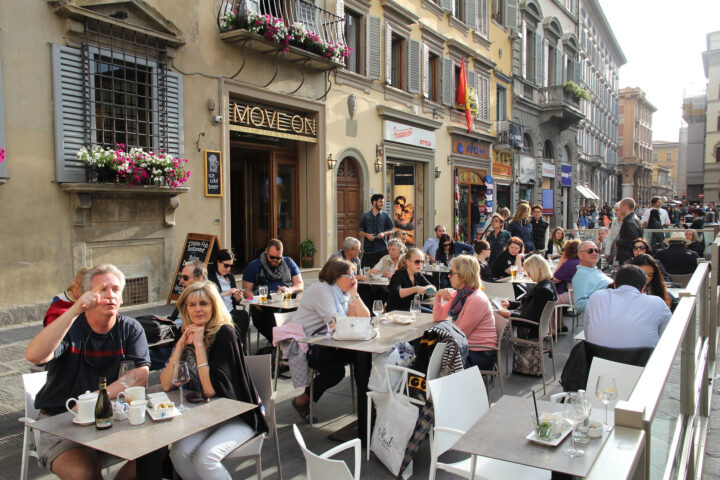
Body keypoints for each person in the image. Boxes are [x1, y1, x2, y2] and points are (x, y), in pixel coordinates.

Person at [26, 264, 150, 479]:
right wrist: (74, 311)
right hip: (61, 423)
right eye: (102, 289)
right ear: (86, 295)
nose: (110, 295)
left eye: (116, 290)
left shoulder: (130, 328)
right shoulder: (70, 327)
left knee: (154, 456)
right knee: (86, 474)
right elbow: (35, 356)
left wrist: (95, 397)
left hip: (112, 421)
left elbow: (139, 375)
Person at [162, 281, 268, 479]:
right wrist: (180, 345)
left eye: (204, 303)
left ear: (214, 306)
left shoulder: (224, 333)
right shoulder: (186, 331)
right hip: (206, 415)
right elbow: (166, 384)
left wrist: (200, 346)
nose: (197, 309)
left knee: (205, 459)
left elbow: (211, 390)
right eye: (191, 305)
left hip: (239, 411)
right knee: (178, 453)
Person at [290, 259, 370, 421]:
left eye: (354, 274)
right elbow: (335, 324)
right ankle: (302, 400)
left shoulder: (343, 293)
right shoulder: (321, 290)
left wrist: (355, 295)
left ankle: (368, 407)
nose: (354, 279)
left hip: (330, 342)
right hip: (309, 342)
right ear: (335, 277)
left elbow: (365, 318)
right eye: (349, 275)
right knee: (336, 371)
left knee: (364, 358)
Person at [584, 265, 671, 349]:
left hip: (597, 360)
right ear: (643, 288)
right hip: (640, 362)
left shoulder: (596, 297)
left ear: (615, 284)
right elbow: (666, 338)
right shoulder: (657, 303)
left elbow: (587, 333)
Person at [433, 255, 496, 369]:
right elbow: (438, 317)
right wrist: (438, 295)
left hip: (480, 353)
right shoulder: (460, 295)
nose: (449, 276)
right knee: (428, 353)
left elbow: (460, 334)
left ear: (463, 276)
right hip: (466, 347)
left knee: (432, 359)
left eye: (452, 273)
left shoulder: (476, 299)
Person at [242, 239, 304, 343]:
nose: (275, 260)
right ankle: (281, 345)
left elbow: (300, 284)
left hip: (286, 304)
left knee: (302, 315)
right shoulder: (254, 265)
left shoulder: (288, 262)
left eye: (278, 258)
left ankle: (288, 345)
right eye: (272, 257)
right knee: (271, 319)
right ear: (266, 251)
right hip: (263, 306)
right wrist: (256, 302)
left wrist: (289, 289)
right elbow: (246, 291)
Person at [497, 255, 558, 339]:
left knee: (497, 326)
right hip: (539, 328)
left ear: (538, 270)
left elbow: (532, 320)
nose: (528, 276)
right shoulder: (549, 284)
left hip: (530, 331)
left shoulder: (541, 290)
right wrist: (510, 304)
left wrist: (510, 315)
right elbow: (531, 305)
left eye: (529, 273)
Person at [209, 249, 249, 340]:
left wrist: (238, 297)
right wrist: (226, 293)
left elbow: (235, 301)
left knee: (244, 315)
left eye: (231, 266)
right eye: (226, 265)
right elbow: (209, 296)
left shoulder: (230, 277)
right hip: (217, 314)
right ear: (218, 262)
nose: (228, 269)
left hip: (230, 311)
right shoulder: (210, 277)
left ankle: (241, 346)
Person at [571, 241, 613, 313]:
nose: (595, 253)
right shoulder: (582, 274)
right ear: (580, 255)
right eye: (590, 251)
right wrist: (605, 301)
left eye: (596, 250)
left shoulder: (592, 270)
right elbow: (579, 304)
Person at [387, 248, 431, 312]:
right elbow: (397, 293)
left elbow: (432, 287)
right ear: (408, 262)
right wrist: (416, 289)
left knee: (434, 316)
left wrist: (429, 288)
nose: (420, 264)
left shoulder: (418, 275)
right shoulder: (398, 275)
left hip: (413, 308)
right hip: (397, 310)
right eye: (417, 262)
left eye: (422, 261)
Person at [614, 197, 644, 265]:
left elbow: (632, 239)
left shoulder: (630, 221)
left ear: (626, 206)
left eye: (621, 206)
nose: (620, 209)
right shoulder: (634, 219)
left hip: (627, 255)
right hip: (629, 255)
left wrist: (618, 243)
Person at [552, 239, 581, 307]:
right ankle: (558, 317)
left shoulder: (570, 264)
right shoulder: (580, 261)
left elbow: (555, 278)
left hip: (574, 295)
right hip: (581, 293)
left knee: (549, 300)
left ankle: (553, 317)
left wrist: (560, 261)